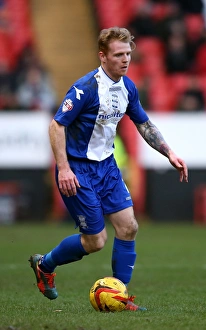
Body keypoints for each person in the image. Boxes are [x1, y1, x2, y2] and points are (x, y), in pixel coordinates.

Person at [29, 27, 188, 311]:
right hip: (78, 171)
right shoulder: (85, 88)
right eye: (118, 55)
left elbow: (144, 124)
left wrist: (169, 152)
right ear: (103, 57)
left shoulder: (127, 87)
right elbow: (56, 125)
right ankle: (44, 265)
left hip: (108, 168)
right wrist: (64, 169)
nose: (125, 59)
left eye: (128, 53)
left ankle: (120, 296)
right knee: (96, 241)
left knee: (129, 227)